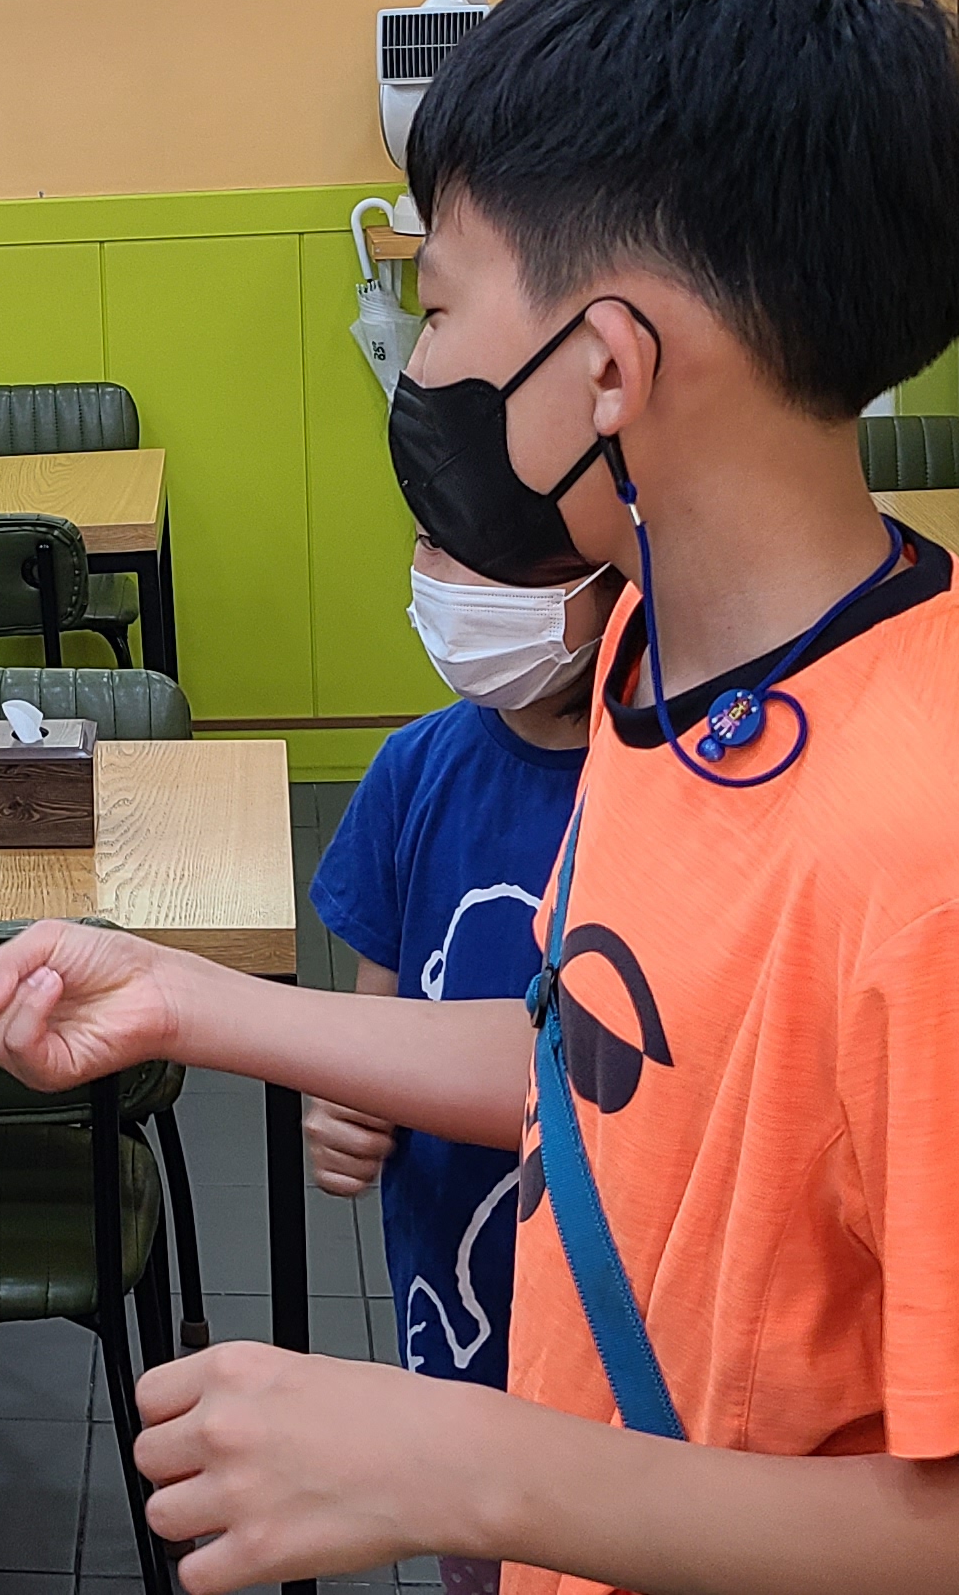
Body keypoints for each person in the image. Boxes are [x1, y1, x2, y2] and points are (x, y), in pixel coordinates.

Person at [0, 0, 959, 1595]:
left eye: (437, 305)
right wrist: (184, 999)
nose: (419, 366)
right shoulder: (659, 658)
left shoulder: (936, 856)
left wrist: (469, 1464)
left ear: (608, 365)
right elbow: (622, 1064)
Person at [301, 541, 609, 1396]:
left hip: (618, 1299)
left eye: (499, 553)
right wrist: (346, 1109)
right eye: (432, 542)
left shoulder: (670, 791)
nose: (451, 584)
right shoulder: (413, 772)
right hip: (452, 1277)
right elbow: (378, 1039)